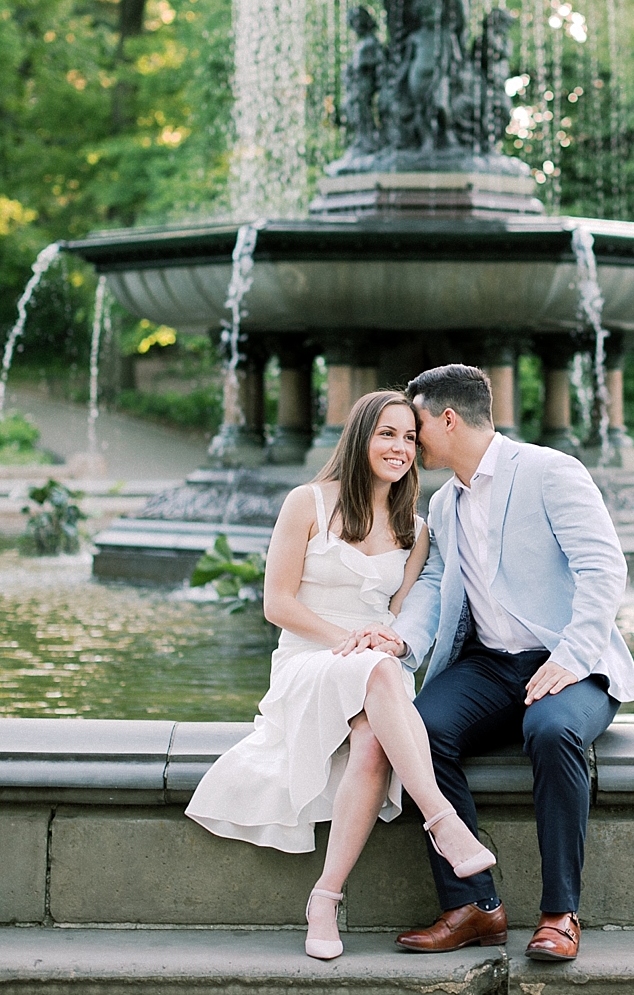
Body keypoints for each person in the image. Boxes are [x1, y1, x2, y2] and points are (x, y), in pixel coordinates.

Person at [344, 363, 634, 964]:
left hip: (571, 661)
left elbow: (603, 568)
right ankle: (475, 907)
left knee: (552, 730)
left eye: (416, 427)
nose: (409, 441)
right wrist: (401, 641)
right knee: (418, 730)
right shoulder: (446, 504)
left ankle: (560, 915)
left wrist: (574, 655)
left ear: (447, 419)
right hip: (489, 665)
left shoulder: (550, 471)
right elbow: (433, 584)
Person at [185, 390, 495, 962]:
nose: (400, 448)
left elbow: (403, 617)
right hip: (310, 654)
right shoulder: (307, 503)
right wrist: (344, 642)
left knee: (374, 734)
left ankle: (324, 898)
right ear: (360, 437)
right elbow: (276, 603)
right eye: (386, 434)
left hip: (375, 665)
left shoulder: (415, 528)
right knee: (372, 667)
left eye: (408, 437)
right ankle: (443, 821)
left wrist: (380, 645)